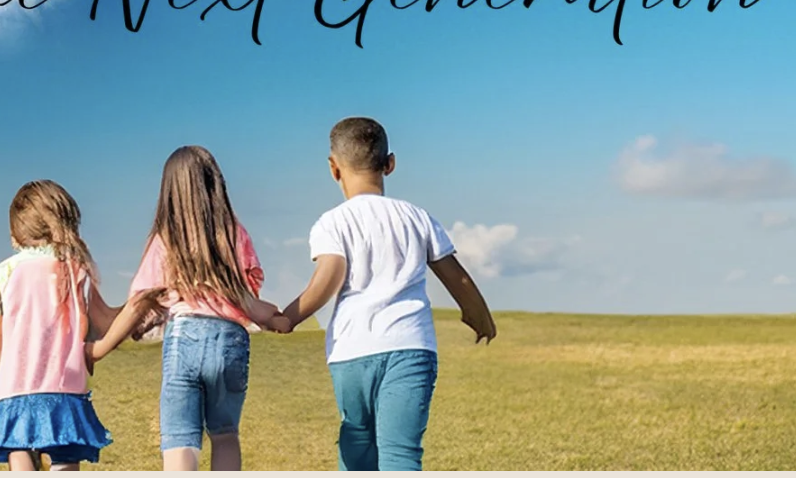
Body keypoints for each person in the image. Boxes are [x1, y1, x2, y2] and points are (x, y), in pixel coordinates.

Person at [275, 117, 498, 471]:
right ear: (390, 164)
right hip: (410, 348)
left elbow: (330, 275)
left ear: (334, 169)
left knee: (357, 442)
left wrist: (289, 316)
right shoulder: (416, 216)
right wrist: (479, 315)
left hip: (352, 353)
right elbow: (456, 276)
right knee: (401, 454)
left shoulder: (332, 222)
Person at [87, 145, 290, 471]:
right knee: (225, 435)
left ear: (168, 192)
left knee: (180, 438)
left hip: (185, 339)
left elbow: (139, 303)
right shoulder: (234, 234)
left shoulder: (166, 239)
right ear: (216, 185)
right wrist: (275, 317)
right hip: (231, 342)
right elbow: (245, 297)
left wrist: (98, 349)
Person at [0, 180, 114, 471]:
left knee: (20, 456)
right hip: (64, 391)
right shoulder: (76, 271)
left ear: (18, 232)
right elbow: (105, 322)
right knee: (65, 464)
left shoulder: (6, 274)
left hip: (15, 392)